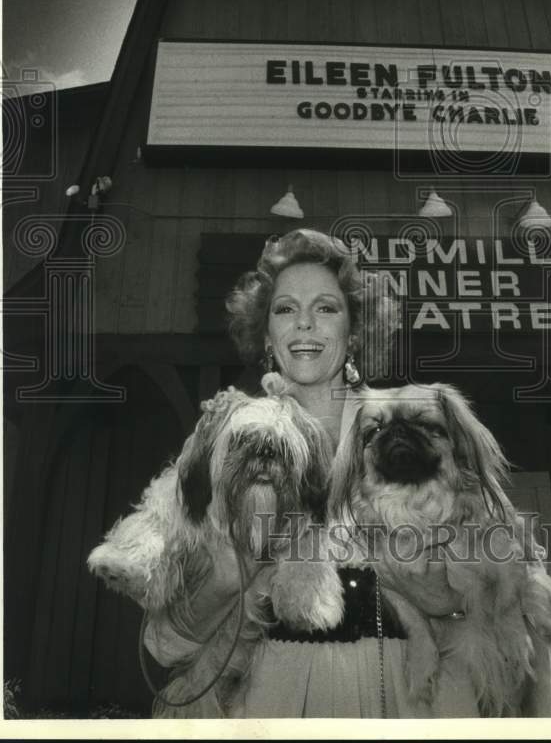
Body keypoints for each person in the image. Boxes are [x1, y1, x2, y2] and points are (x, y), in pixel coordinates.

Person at [142, 228, 486, 717]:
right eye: (285, 309)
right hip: (265, 701)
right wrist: (225, 580)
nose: (304, 324)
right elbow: (162, 646)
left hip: (405, 697)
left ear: (355, 330)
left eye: (325, 308)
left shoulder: (416, 430)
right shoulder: (221, 438)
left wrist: (444, 601)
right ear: (265, 334)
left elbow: (506, 605)